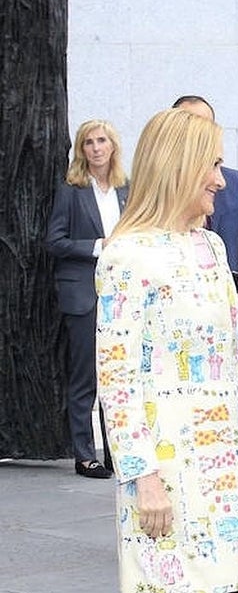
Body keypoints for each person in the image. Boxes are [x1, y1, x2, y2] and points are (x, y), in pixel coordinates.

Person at [94, 108, 238, 593]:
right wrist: (141, 475)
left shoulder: (211, 246)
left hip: (228, 475)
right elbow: (116, 377)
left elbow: (229, 359)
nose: (222, 180)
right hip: (166, 480)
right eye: (212, 165)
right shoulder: (127, 254)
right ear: (179, 166)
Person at [46, 119, 129, 478]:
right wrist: (98, 246)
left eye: (101, 141)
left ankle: (116, 452)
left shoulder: (127, 189)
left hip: (121, 294)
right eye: (88, 143)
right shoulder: (72, 190)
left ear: (113, 146)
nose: (96, 148)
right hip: (83, 294)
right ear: (81, 150)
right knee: (85, 377)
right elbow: (55, 241)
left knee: (118, 376)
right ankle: (85, 454)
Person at [173, 96, 238, 345]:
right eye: (192, 127)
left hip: (228, 337)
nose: (219, 181)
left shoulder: (235, 183)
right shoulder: (137, 243)